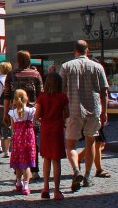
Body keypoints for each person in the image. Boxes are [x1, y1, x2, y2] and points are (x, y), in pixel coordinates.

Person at [59, 40, 109, 193]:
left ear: (75, 50)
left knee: (71, 145)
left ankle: (76, 171)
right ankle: (87, 176)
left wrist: (63, 110)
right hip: (93, 109)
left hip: (73, 109)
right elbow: (104, 91)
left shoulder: (66, 66)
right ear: (87, 51)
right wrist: (105, 111)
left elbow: (62, 90)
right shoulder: (97, 67)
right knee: (90, 142)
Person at [3, 51, 43, 180]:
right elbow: (40, 95)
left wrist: (5, 113)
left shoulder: (11, 75)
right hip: (33, 113)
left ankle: (19, 170)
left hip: (16, 114)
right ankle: (34, 169)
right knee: (33, 142)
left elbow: (7, 96)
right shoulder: (36, 74)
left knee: (17, 141)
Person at [35, 72, 69, 200]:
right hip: (58, 129)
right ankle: (57, 190)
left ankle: (45, 188)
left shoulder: (42, 97)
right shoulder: (63, 97)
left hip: (46, 130)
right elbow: (68, 113)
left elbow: (37, 115)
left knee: (46, 159)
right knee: (56, 160)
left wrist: (43, 119)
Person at [8, 89, 37, 195]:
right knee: (27, 163)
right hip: (28, 137)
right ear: (26, 98)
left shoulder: (12, 113)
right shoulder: (31, 111)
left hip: (17, 138)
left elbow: (13, 127)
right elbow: (34, 121)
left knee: (18, 163)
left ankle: (18, 182)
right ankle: (26, 185)